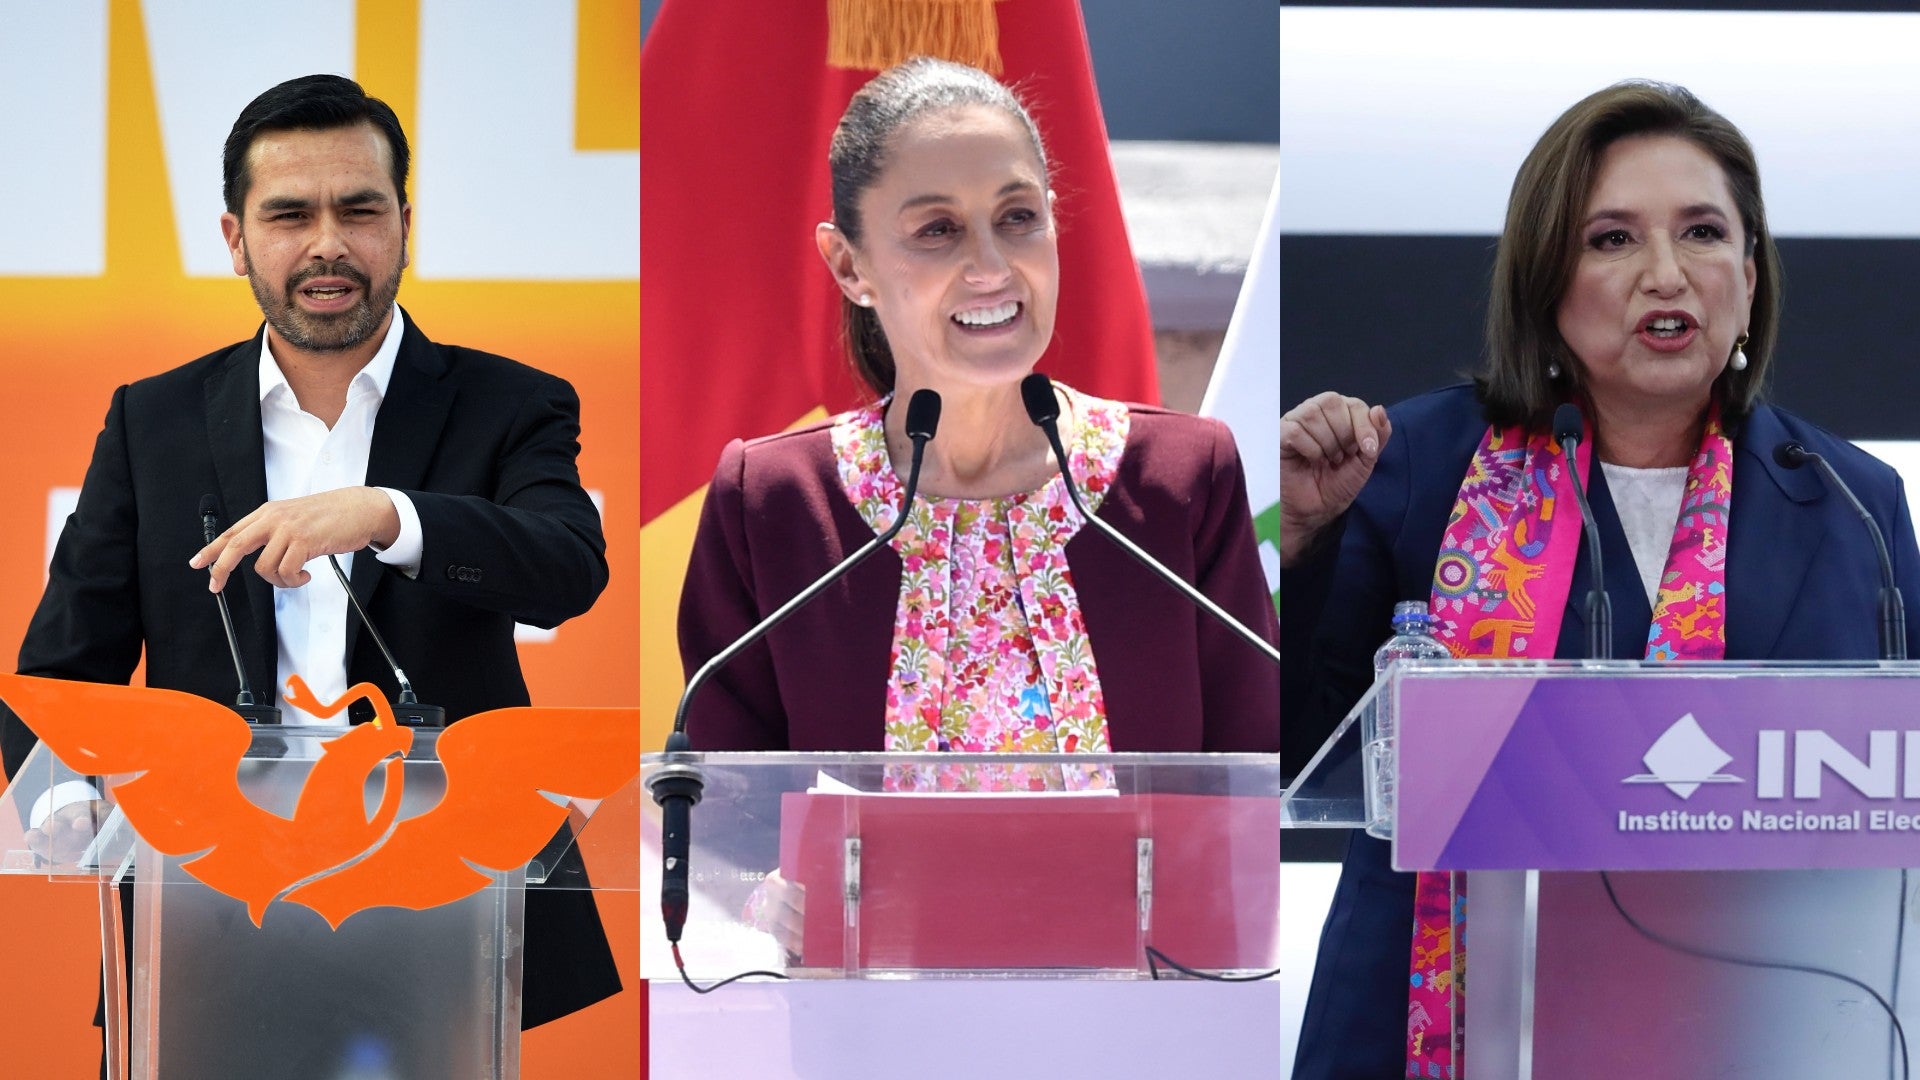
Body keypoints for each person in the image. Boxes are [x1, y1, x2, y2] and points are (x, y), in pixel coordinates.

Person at [1281, 80, 1920, 1078]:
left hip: (1766, 1026)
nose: (1665, 274)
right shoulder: (1412, 465)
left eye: (1704, 233)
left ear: (1749, 278)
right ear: (1546, 278)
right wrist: (1301, 539)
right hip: (1432, 1029)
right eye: (1612, 239)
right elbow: (1294, 759)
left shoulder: (1852, 505)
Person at [0, 74, 621, 1060]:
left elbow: (565, 566)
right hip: (206, 905)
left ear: (404, 225)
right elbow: (57, 677)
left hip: (443, 899)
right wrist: (71, 808)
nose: (327, 242)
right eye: (289, 214)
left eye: (359, 210)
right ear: (235, 238)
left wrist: (389, 516)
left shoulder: (510, 403)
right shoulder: (152, 422)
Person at [675, 57, 1278, 757]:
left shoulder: (1181, 477)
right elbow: (726, 811)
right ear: (849, 266)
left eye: (1018, 217)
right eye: (938, 230)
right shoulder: (773, 503)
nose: (992, 266)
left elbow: (1248, 786)